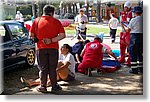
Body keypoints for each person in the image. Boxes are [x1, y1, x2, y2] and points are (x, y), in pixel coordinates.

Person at [29, 5, 66, 93]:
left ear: (44, 11)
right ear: (52, 13)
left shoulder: (37, 21)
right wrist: (51, 40)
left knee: (43, 68)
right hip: (53, 48)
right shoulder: (56, 22)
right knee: (52, 68)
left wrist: (37, 38)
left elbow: (31, 35)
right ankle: (54, 86)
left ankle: (43, 86)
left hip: (41, 48)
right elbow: (62, 35)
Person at [122, 6, 143, 74]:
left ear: (135, 13)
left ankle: (134, 69)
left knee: (133, 52)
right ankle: (141, 68)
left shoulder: (133, 20)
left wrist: (123, 26)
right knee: (141, 53)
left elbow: (128, 30)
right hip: (142, 36)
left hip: (134, 36)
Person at [119, 1, 133, 65]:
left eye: (126, 7)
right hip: (123, 31)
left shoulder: (132, 13)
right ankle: (122, 58)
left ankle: (129, 60)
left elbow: (129, 23)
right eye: (125, 7)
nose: (125, 8)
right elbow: (121, 22)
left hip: (129, 31)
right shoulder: (122, 13)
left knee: (129, 46)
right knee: (122, 46)